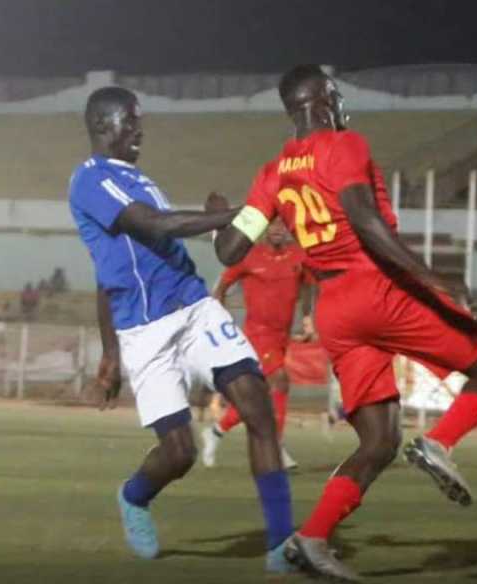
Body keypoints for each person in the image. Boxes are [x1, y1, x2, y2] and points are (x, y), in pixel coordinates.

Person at [209, 64, 477, 581]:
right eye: (334, 93)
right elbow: (363, 216)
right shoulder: (344, 144)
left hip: (334, 309)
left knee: (378, 442)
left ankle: (310, 540)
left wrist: (236, 212)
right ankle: (439, 443)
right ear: (324, 99)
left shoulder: (272, 173)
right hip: (376, 285)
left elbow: (228, 249)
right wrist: (428, 275)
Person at [68, 87, 297, 574]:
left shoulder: (140, 179)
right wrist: (240, 215)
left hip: (194, 310)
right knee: (179, 453)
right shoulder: (91, 180)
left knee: (257, 405)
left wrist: (224, 224)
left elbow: (122, 261)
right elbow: (157, 227)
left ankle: (283, 545)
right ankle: (133, 497)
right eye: (130, 122)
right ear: (104, 125)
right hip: (145, 333)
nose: (139, 130)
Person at [202, 218, 314, 469]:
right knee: (281, 381)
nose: (277, 229)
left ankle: (217, 431)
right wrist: (220, 322)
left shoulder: (298, 256)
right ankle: (276, 448)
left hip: (281, 336)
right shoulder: (248, 256)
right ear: (264, 228)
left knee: (259, 399)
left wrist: (307, 318)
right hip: (257, 335)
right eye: (273, 225)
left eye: (283, 225)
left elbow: (307, 287)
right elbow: (221, 288)